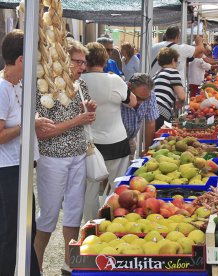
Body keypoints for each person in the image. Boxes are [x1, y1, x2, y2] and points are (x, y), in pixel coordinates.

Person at [34, 38, 97, 274]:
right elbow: (43, 132)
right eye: (77, 62)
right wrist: (78, 120)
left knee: (74, 213)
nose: (82, 67)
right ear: (62, 60)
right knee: (48, 215)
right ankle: (36, 267)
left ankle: (68, 266)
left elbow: (85, 123)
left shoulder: (81, 86)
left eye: (84, 62)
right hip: (52, 158)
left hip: (79, 154)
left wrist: (90, 113)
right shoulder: (45, 85)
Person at [0, 29, 54, 276]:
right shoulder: (1, 89)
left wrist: (35, 121)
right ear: (21, 59)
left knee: (26, 228)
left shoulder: (20, 85)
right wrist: (27, 125)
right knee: (12, 232)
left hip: (20, 167)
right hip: (6, 169)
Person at [81, 42, 137, 222]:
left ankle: (90, 226)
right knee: (117, 187)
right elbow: (133, 102)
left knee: (89, 190)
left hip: (89, 143)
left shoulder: (78, 82)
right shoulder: (114, 80)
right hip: (117, 140)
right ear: (105, 60)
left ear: (85, 61)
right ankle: (114, 222)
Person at [121, 73, 159, 161]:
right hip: (114, 141)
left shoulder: (151, 95)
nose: (140, 102)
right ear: (129, 87)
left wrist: (147, 150)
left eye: (144, 99)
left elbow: (150, 124)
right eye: (138, 98)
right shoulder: (120, 92)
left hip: (130, 140)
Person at [153, 47, 186, 130]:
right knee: (162, 139)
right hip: (161, 111)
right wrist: (180, 102)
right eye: (176, 62)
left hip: (151, 109)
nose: (176, 65)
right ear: (172, 60)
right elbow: (182, 96)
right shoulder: (172, 72)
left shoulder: (157, 73)